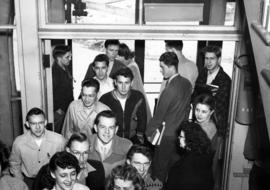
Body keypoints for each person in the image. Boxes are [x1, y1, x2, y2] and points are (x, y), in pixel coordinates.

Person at [145, 52, 192, 182]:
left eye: (162, 67)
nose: (160, 70)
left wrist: (148, 133)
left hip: (165, 136)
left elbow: (159, 116)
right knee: (174, 170)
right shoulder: (187, 83)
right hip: (180, 135)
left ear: (171, 67)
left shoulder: (169, 89)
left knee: (159, 170)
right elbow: (187, 108)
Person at [9, 107, 66, 189]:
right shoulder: (19, 142)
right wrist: (20, 182)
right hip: (29, 181)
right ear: (27, 124)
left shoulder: (59, 140)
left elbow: (66, 162)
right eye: (33, 123)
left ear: (45, 122)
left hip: (52, 181)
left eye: (40, 123)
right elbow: (14, 163)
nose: (38, 127)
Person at [33, 132, 105, 190]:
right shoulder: (47, 170)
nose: (81, 158)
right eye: (77, 153)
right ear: (68, 150)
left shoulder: (98, 167)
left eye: (85, 152)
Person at [99, 67, 147, 144]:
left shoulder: (138, 97)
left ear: (131, 83)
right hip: (111, 139)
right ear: (115, 82)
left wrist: (139, 136)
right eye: (120, 83)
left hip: (133, 139)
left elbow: (143, 119)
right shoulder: (105, 99)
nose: (123, 87)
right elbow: (100, 122)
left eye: (126, 83)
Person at [193, 45, 231, 137]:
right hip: (200, 121)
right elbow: (195, 95)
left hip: (215, 125)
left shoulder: (225, 80)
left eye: (212, 58)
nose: (208, 62)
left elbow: (220, 105)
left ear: (219, 59)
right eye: (206, 58)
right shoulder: (202, 73)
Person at [166, 121, 214, 190]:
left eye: (181, 136)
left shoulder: (183, 165)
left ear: (190, 139)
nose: (179, 138)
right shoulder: (205, 157)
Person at [88, 110, 132, 177]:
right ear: (95, 128)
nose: (107, 132)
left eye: (111, 128)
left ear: (116, 129)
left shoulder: (126, 146)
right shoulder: (85, 143)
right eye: (103, 127)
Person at [193, 93, 223, 190]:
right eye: (197, 110)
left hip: (201, 174)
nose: (199, 114)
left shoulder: (208, 129)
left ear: (211, 112)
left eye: (204, 111)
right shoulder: (202, 124)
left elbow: (195, 155)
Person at [117, 43, 152, 123]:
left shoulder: (131, 67)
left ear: (123, 55)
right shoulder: (132, 64)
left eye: (118, 56)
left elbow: (132, 89)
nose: (117, 58)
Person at [52, 45, 74, 133]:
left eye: (70, 56)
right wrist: (58, 109)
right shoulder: (54, 73)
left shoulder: (65, 68)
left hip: (65, 108)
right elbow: (52, 92)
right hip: (59, 111)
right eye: (67, 57)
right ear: (59, 58)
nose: (70, 59)